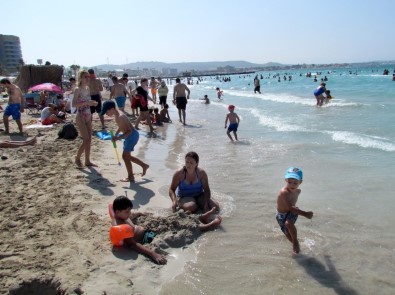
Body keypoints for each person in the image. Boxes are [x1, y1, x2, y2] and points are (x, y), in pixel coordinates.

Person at [101, 100, 149, 182]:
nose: (106, 114)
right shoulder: (117, 114)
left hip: (132, 136)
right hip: (130, 136)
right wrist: (116, 134)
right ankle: (143, 166)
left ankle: (131, 177)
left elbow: (129, 131)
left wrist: (118, 138)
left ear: (112, 108)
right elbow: (121, 126)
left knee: (125, 157)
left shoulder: (120, 117)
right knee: (127, 156)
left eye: (106, 111)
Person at [111, 196, 167, 264]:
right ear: (117, 212)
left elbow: (131, 216)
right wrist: (152, 253)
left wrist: (140, 213)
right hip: (143, 238)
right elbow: (132, 244)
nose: (129, 213)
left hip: (141, 231)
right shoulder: (120, 227)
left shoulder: (122, 216)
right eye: (127, 211)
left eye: (130, 210)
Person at [276, 167, 314, 254]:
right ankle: (296, 244)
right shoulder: (284, 192)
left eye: (295, 183)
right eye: (289, 182)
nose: (292, 185)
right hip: (281, 214)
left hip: (292, 210)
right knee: (287, 233)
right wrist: (305, 214)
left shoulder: (298, 191)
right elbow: (289, 207)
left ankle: (295, 243)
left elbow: (292, 207)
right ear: (286, 180)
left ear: (300, 182)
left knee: (288, 223)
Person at [72, 70, 98, 168]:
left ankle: (87, 160)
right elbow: (74, 104)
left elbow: (86, 101)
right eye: (85, 77)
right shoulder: (77, 89)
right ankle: (77, 158)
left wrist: (92, 102)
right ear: (81, 78)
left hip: (88, 114)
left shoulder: (87, 88)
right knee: (86, 139)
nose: (88, 79)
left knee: (90, 139)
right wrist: (87, 103)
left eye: (88, 77)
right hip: (80, 115)